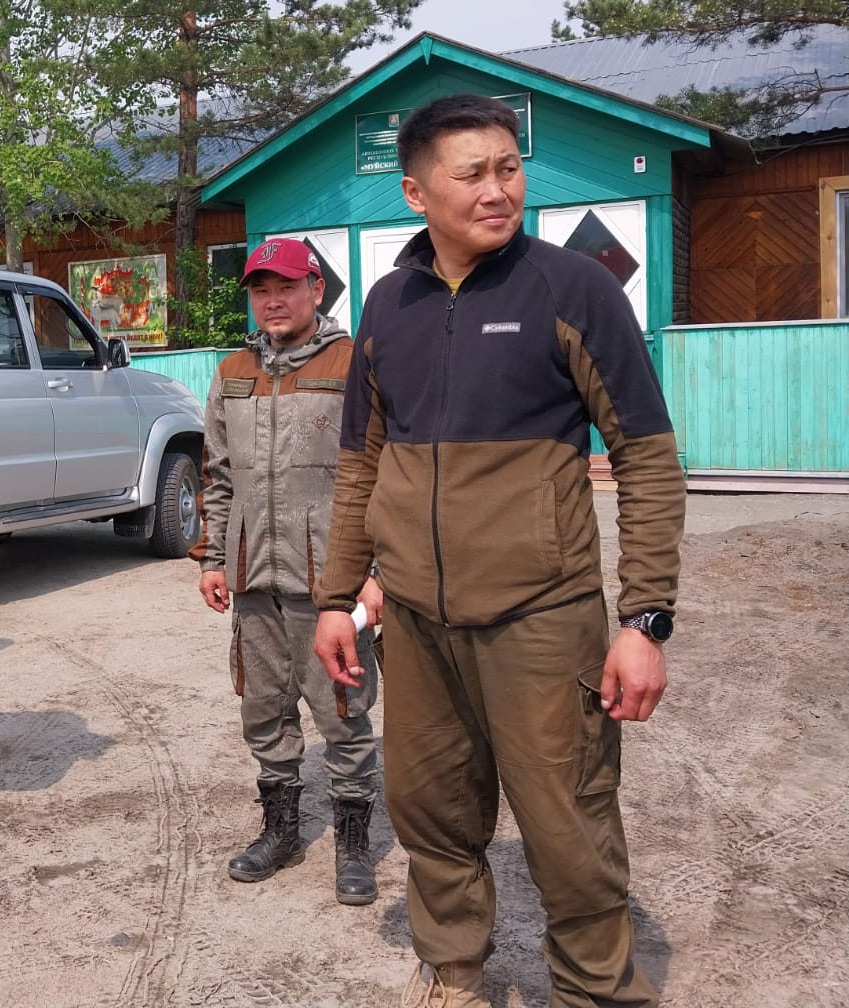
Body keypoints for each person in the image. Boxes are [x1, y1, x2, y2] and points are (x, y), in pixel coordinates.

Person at [312, 95, 685, 1008]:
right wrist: (335, 599)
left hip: (542, 619)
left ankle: (598, 990)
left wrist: (643, 618)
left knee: (569, 824)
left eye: (509, 168)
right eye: (471, 173)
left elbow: (644, 451)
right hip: (419, 622)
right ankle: (453, 975)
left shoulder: (573, 289)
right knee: (432, 813)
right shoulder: (388, 307)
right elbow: (362, 464)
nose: (498, 189)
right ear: (416, 191)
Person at [192, 238, 383, 903]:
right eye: (260, 290)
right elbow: (217, 476)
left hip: (329, 585)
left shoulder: (354, 362)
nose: (272, 301)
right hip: (252, 581)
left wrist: (374, 573)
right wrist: (216, 557)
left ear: (316, 291)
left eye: (286, 287)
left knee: (343, 712)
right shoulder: (232, 370)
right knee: (262, 711)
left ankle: (355, 844)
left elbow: (383, 474)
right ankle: (280, 831)